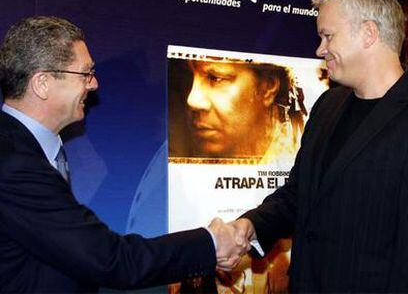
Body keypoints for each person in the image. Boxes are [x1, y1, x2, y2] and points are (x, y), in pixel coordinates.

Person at [0, 16, 244, 292]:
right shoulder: (14, 164)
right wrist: (211, 243)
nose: (93, 85)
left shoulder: (26, 149)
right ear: (42, 83)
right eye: (85, 74)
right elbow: (111, 260)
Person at [226, 0, 408, 292]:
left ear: (368, 33)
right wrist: (250, 227)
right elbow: (299, 195)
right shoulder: (328, 105)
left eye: (328, 36)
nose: (319, 49)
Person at [170, 58, 307, 164]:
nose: (193, 100)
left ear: (267, 88)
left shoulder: (304, 155)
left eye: (215, 78)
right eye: (188, 77)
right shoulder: (171, 153)